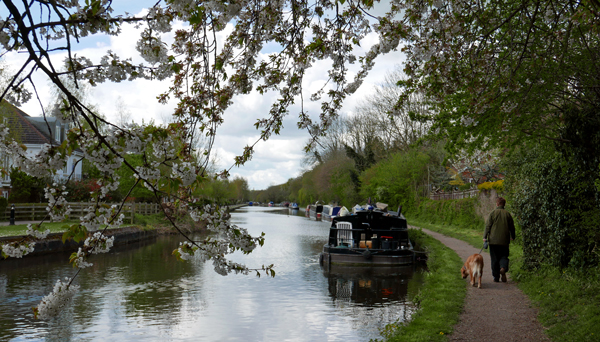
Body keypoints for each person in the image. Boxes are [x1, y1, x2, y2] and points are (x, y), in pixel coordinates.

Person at [483, 197, 516, 283]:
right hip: (504, 241)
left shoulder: (493, 213)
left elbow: (488, 226)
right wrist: (513, 236)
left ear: (497, 204)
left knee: (494, 259)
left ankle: (496, 277)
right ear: (504, 204)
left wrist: (485, 237)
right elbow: (512, 227)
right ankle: (503, 268)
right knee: (504, 256)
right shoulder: (507, 214)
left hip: (493, 241)